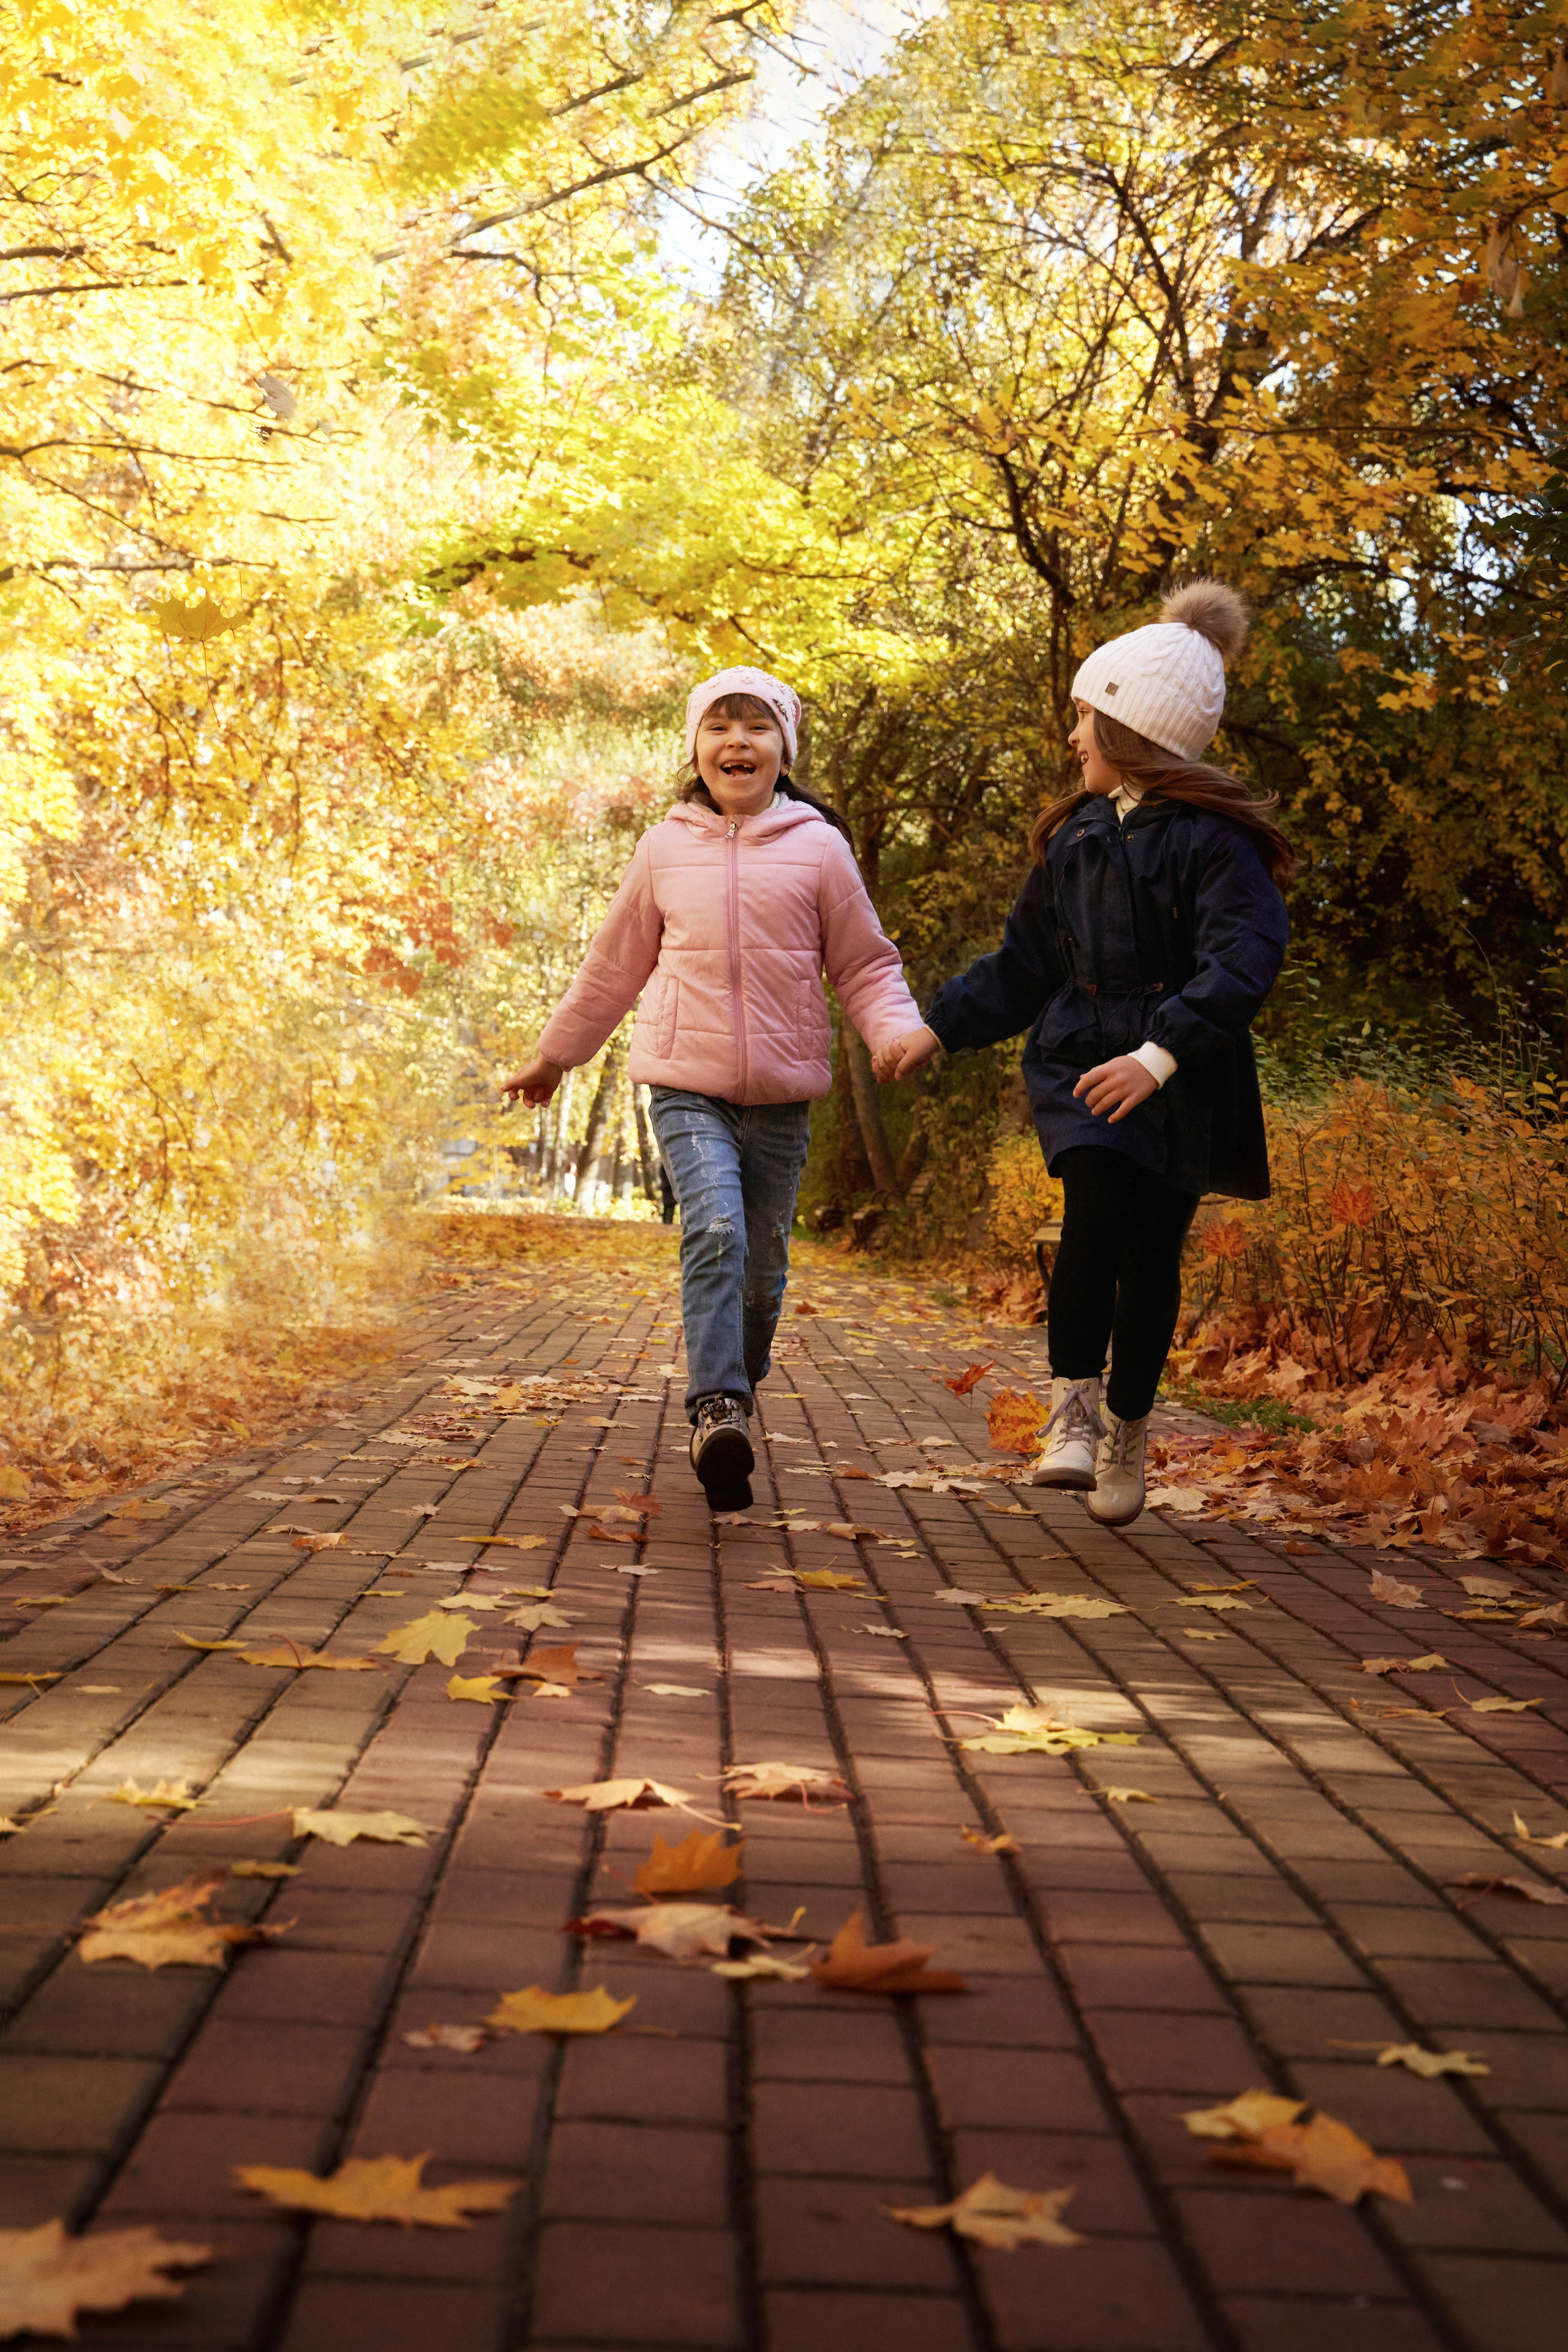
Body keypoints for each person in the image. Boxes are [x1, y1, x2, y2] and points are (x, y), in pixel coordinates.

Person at [873, 582, 1294, 1526]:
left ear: (1132, 730)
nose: (1073, 737)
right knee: (1094, 1216)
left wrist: (1159, 1056)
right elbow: (1025, 964)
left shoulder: (1216, 844)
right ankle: (1070, 1409)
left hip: (1178, 1075)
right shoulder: (1073, 838)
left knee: (1151, 1255)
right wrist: (937, 1028)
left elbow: (1242, 961)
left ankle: (1128, 1427)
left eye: (1086, 719)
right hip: (1079, 1061)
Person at [502, 666, 920, 1512]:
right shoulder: (664, 848)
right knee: (718, 1229)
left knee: (763, 1269)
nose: (738, 741)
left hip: (782, 1094)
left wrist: (894, 1032)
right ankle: (718, 1406)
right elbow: (613, 966)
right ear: (696, 748)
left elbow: (864, 963)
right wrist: (556, 1056)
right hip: (685, 1085)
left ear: (784, 751)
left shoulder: (819, 848)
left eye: (757, 727)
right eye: (720, 726)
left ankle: (738, 1374)